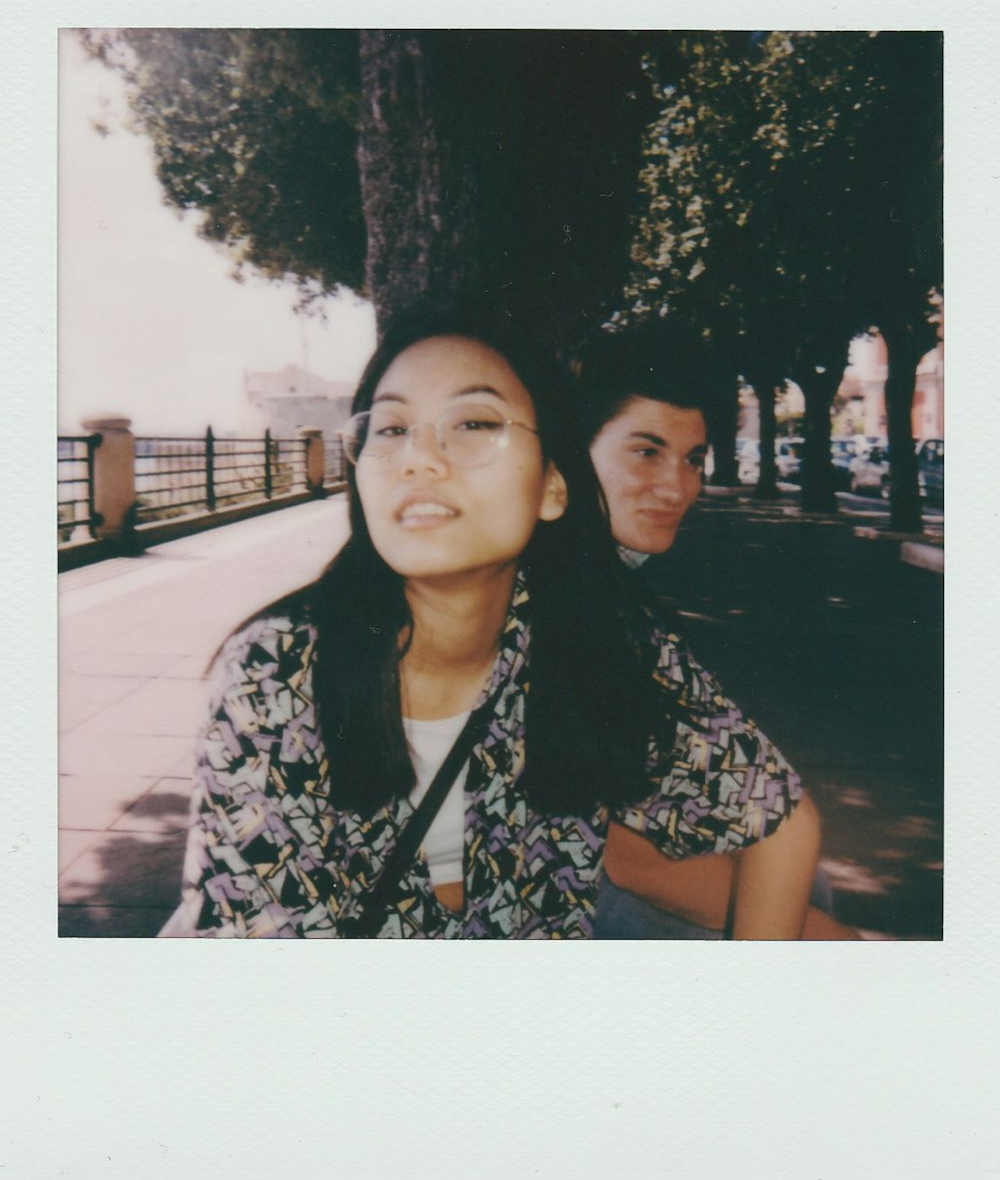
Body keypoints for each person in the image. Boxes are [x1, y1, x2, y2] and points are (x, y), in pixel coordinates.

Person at [161, 306, 817, 939]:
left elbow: (776, 818)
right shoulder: (275, 677)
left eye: (473, 422)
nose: (418, 456)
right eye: (390, 429)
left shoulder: (600, 636)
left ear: (554, 486)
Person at [572, 321, 858, 940]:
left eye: (693, 459)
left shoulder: (610, 588)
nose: (677, 487)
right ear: (573, 453)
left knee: (807, 883)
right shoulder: (572, 598)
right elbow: (627, 862)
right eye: (646, 451)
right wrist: (826, 941)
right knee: (804, 902)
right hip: (527, 904)